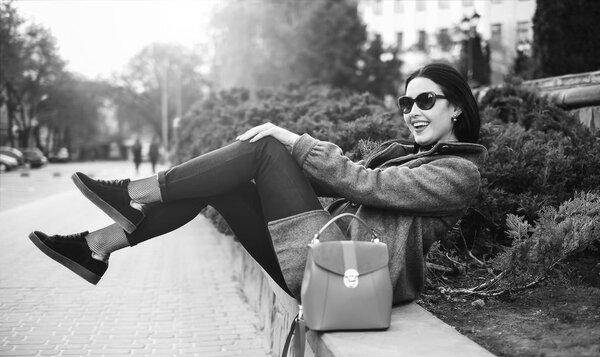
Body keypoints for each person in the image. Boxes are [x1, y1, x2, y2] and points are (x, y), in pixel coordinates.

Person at [28, 63, 487, 305]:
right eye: (407, 101)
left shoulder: (457, 173)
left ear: (457, 109)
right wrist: (268, 163)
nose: (413, 111)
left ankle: (134, 194)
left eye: (426, 99)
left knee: (266, 146)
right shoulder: (408, 156)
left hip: (353, 279)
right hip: (332, 260)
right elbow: (340, 182)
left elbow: (365, 185)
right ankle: (97, 245)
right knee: (233, 177)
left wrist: (290, 142)